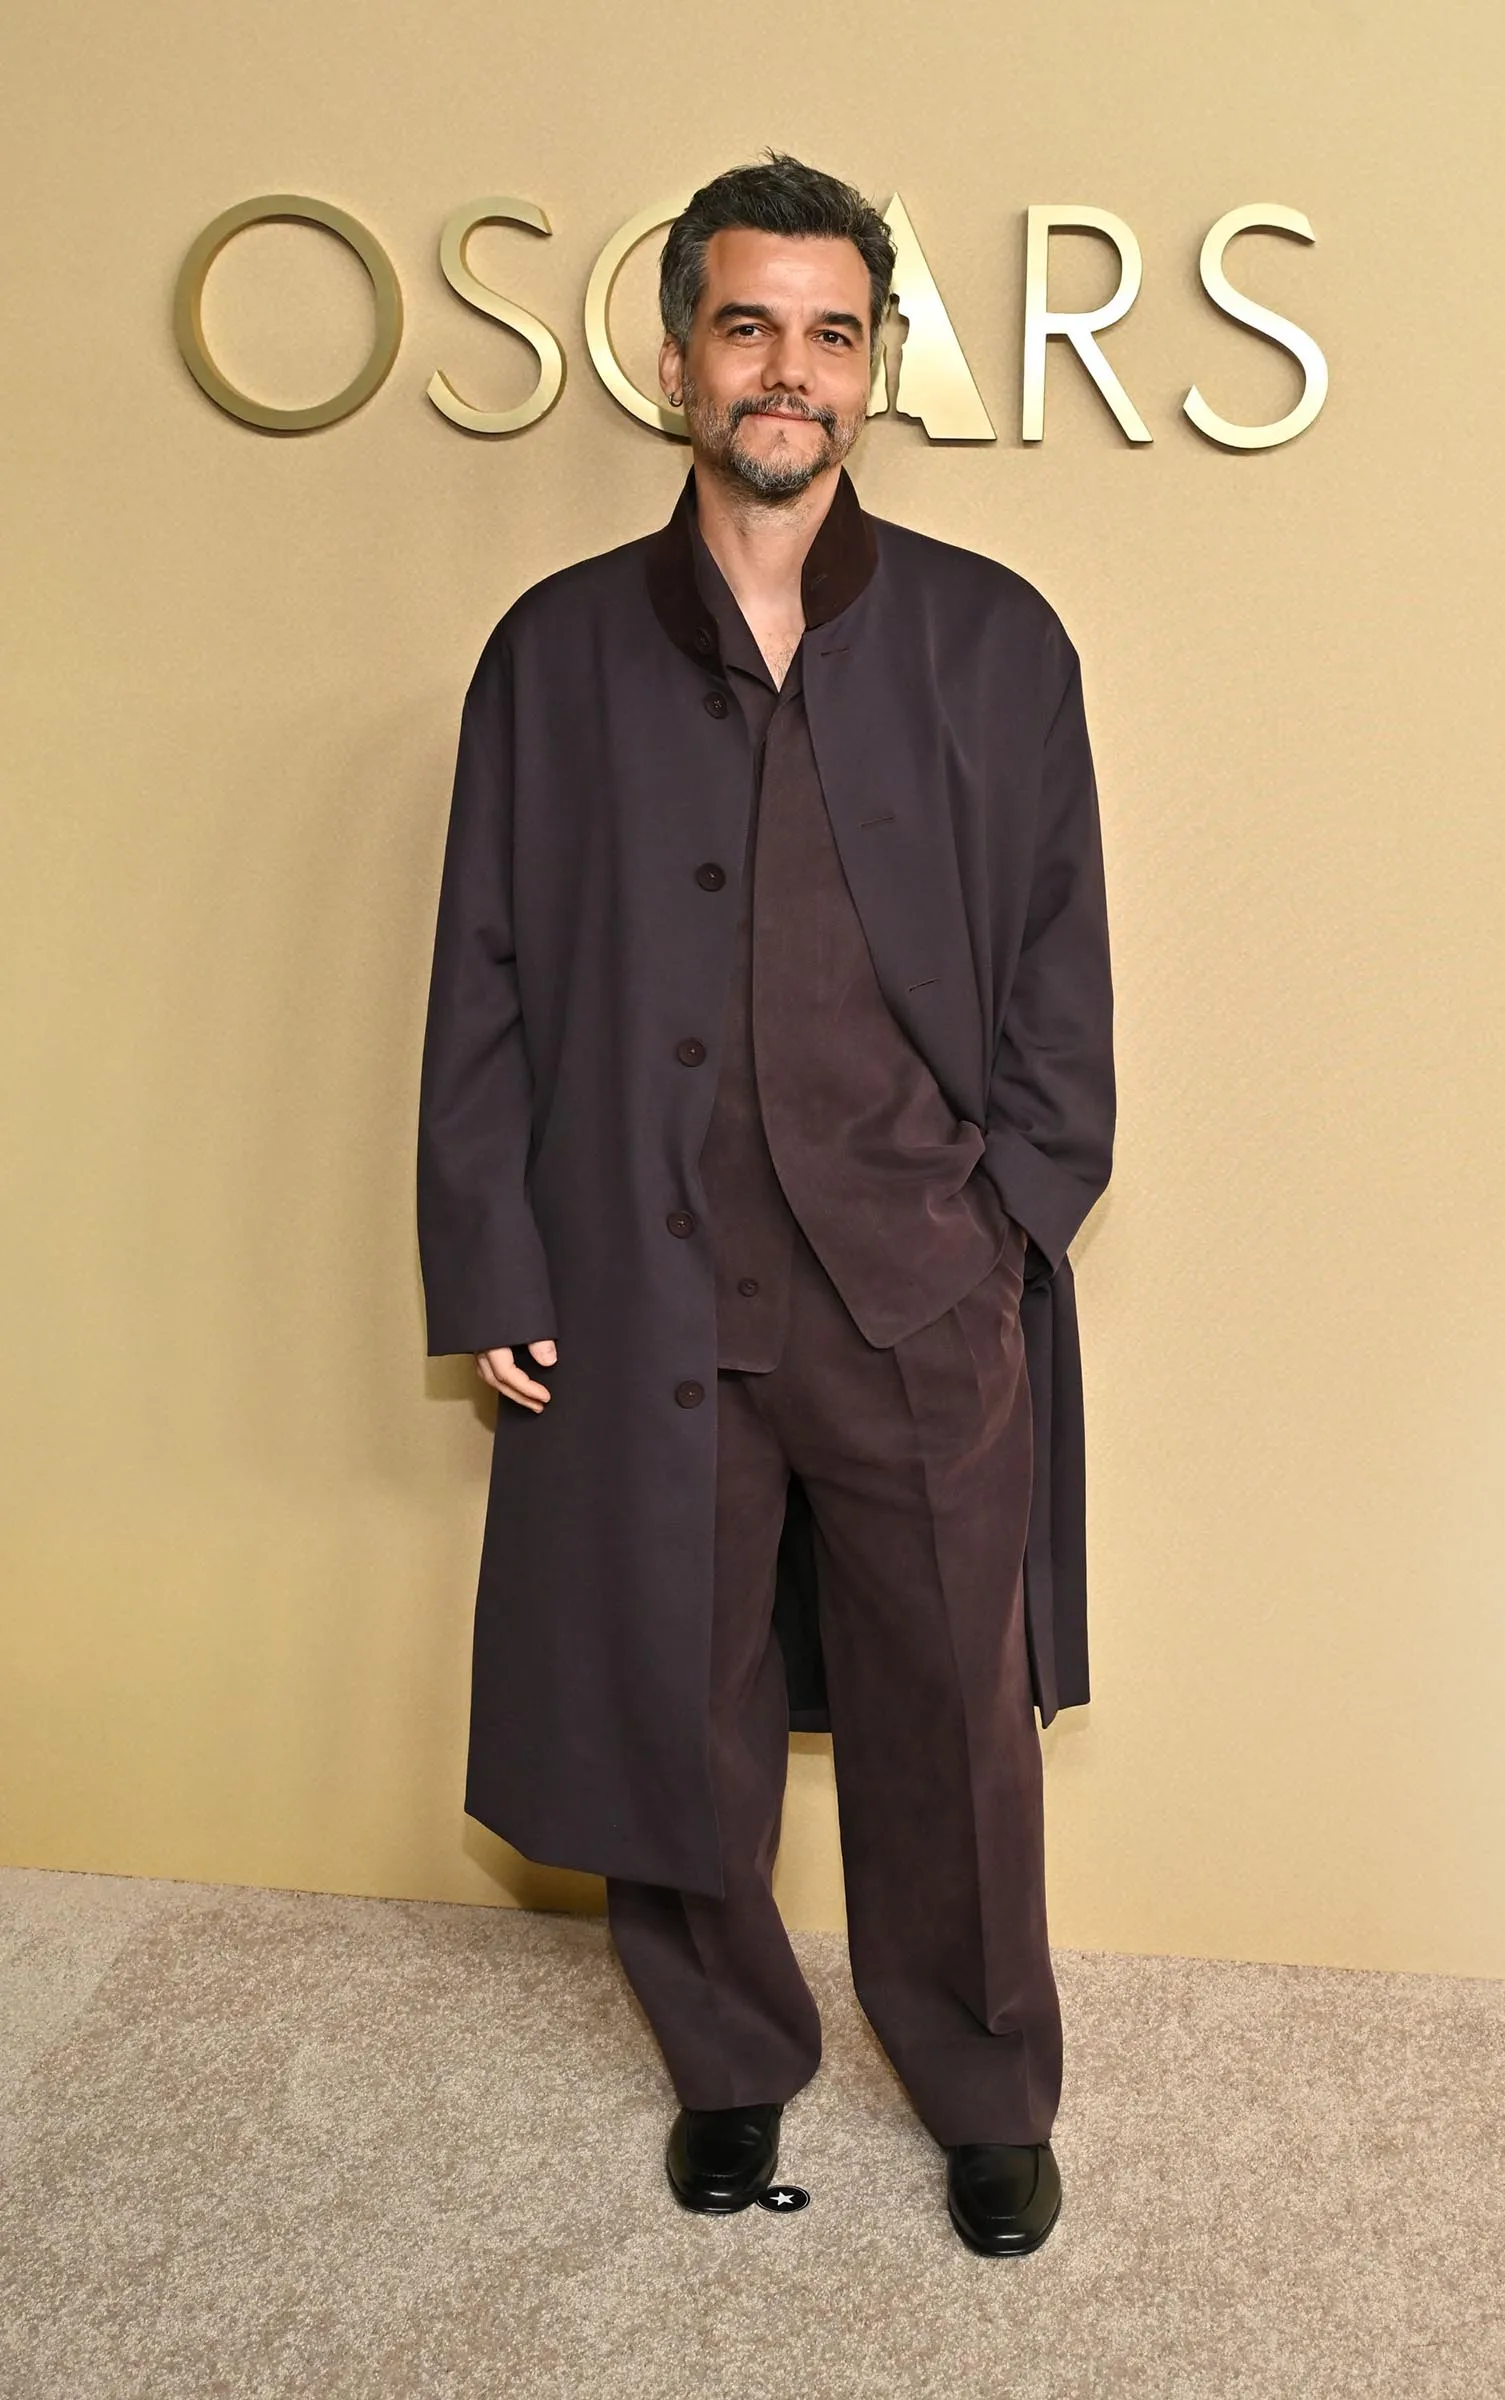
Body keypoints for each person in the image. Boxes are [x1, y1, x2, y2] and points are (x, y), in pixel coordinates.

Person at [416, 153, 1115, 2258]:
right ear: (676, 361)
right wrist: (492, 1255)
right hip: (641, 1281)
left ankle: (984, 2089)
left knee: (950, 1718)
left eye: (827, 333)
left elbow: (1060, 971)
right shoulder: (552, 653)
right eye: (747, 327)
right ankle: (729, 2062)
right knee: (673, 1691)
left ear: (872, 367)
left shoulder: (996, 641)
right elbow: (483, 976)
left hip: (918, 1284)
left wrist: (1007, 1223)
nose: (785, 370)